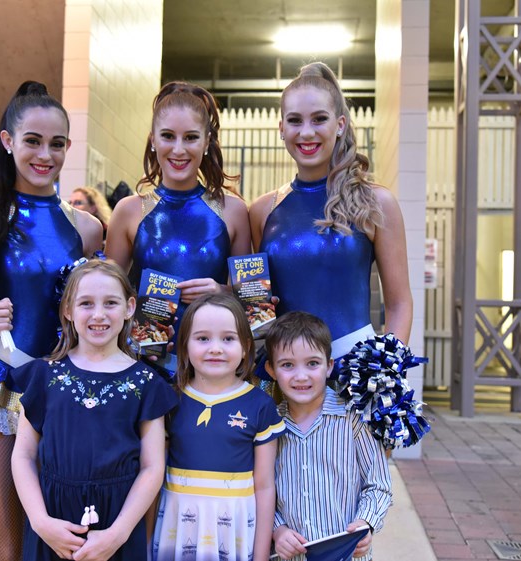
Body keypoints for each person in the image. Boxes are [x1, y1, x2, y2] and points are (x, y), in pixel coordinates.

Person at [0, 81, 103, 561]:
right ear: (8, 140)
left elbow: (101, 310)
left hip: (58, 396)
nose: (44, 154)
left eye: (56, 144)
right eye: (33, 140)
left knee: (57, 542)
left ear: (68, 147)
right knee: (2, 545)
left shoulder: (87, 229)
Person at [11, 259, 178, 561]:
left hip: (117, 522)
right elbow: (23, 455)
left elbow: (152, 466)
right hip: (52, 518)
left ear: (129, 308)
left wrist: (120, 532)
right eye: (86, 303)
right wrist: (39, 521)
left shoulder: (146, 383)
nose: (98, 314)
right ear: (68, 311)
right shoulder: (44, 376)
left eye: (110, 303)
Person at [249, 62, 412, 365]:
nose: (306, 132)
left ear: (339, 125)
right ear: (281, 128)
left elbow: (399, 303)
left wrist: (388, 374)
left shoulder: (375, 202)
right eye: (295, 121)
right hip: (282, 377)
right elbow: (257, 300)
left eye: (319, 119)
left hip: (355, 376)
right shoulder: (262, 209)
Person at [105, 81, 251, 373]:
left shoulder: (233, 210)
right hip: (143, 365)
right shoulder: (129, 211)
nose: (179, 149)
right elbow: (108, 296)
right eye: (168, 136)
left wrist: (222, 290)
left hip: (213, 367)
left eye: (191, 137)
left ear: (207, 142)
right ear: (153, 140)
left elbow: (252, 299)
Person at [152, 293, 285, 561]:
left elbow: (264, 486)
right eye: (202, 339)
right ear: (184, 345)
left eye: (228, 338)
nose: (215, 348)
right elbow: (154, 478)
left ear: (246, 346)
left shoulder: (260, 405)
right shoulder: (169, 400)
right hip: (178, 526)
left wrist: (260, 556)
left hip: (233, 527)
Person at [264, 312, 392, 561]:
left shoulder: (352, 417)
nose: (301, 376)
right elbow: (261, 489)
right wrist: (277, 530)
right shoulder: (270, 425)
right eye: (287, 365)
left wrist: (365, 522)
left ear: (329, 365)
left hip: (347, 554)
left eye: (312, 363)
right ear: (271, 370)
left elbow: (378, 484)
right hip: (293, 556)